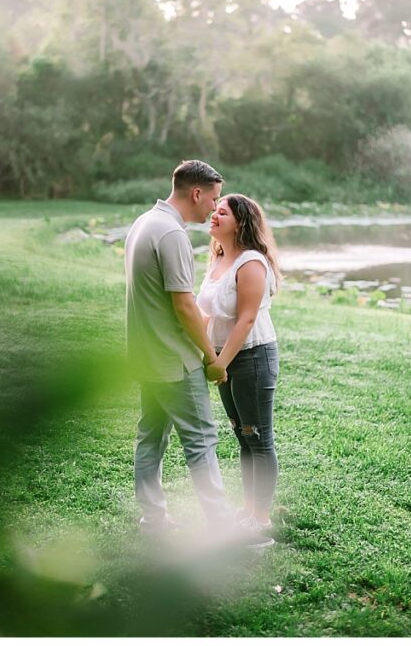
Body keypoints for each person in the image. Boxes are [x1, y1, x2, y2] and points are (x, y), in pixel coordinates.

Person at [125, 160, 271, 548]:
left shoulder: (143, 223)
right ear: (197, 193)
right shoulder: (171, 234)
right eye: (214, 199)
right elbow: (185, 306)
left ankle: (153, 519)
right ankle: (224, 528)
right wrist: (210, 357)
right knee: (202, 440)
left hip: (145, 354)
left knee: (150, 437)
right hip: (174, 359)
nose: (213, 207)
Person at [197, 194, 283, 545]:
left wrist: (220, 362)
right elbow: (208, 313)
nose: (213, 216)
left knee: (258, 437)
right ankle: (248, 510)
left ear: (241, 222)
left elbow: (246, 319)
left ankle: (260, 519)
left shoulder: (250, 262)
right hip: (225, 358)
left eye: (222, 212)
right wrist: (203, 351)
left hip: (251, 357)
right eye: (214, 211)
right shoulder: (219, 258)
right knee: (242, 434)